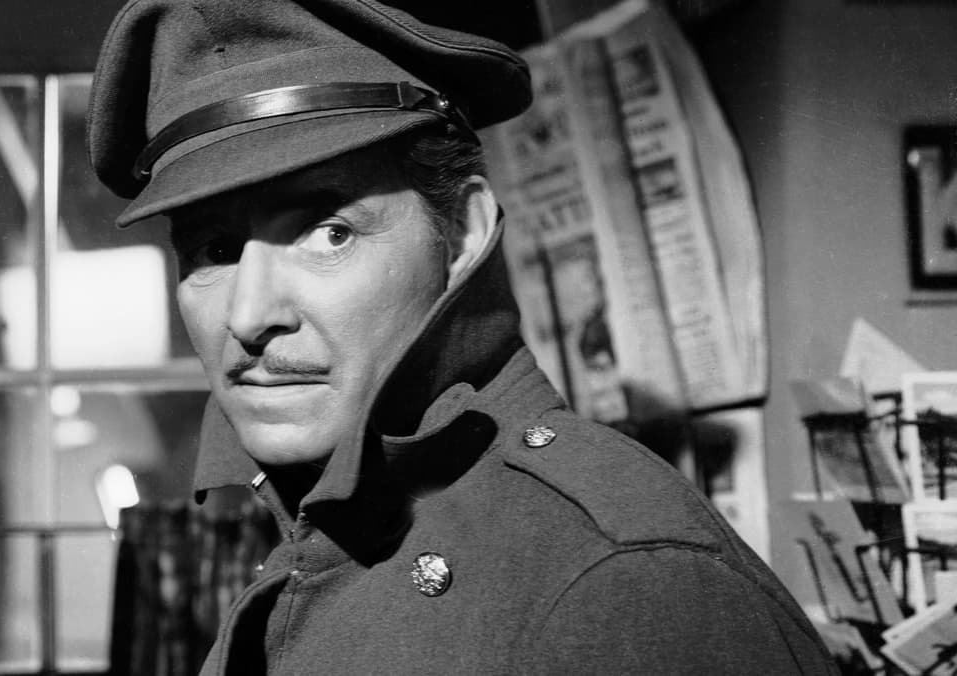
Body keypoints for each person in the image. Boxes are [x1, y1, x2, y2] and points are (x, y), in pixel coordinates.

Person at [86, 0, 835, 673]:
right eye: (215, 249)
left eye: (330, 232)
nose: (249, 316)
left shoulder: (624, 581)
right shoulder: (314, 536)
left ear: (465, 235)